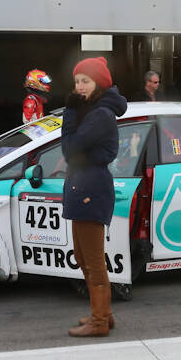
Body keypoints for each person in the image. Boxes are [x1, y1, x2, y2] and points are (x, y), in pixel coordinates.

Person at [61, 57, 128, 337]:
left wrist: (69, 112)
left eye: (85, 81)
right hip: (83, 186)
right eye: (77, 81)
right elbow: (76, 150)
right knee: (82, 255)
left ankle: (99, 321)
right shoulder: (91, 111)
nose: (79, 87)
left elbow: (70, 148)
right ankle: (103, 314)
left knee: (93, 260)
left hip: (91, 189)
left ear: (98, 83)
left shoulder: (99, 114)